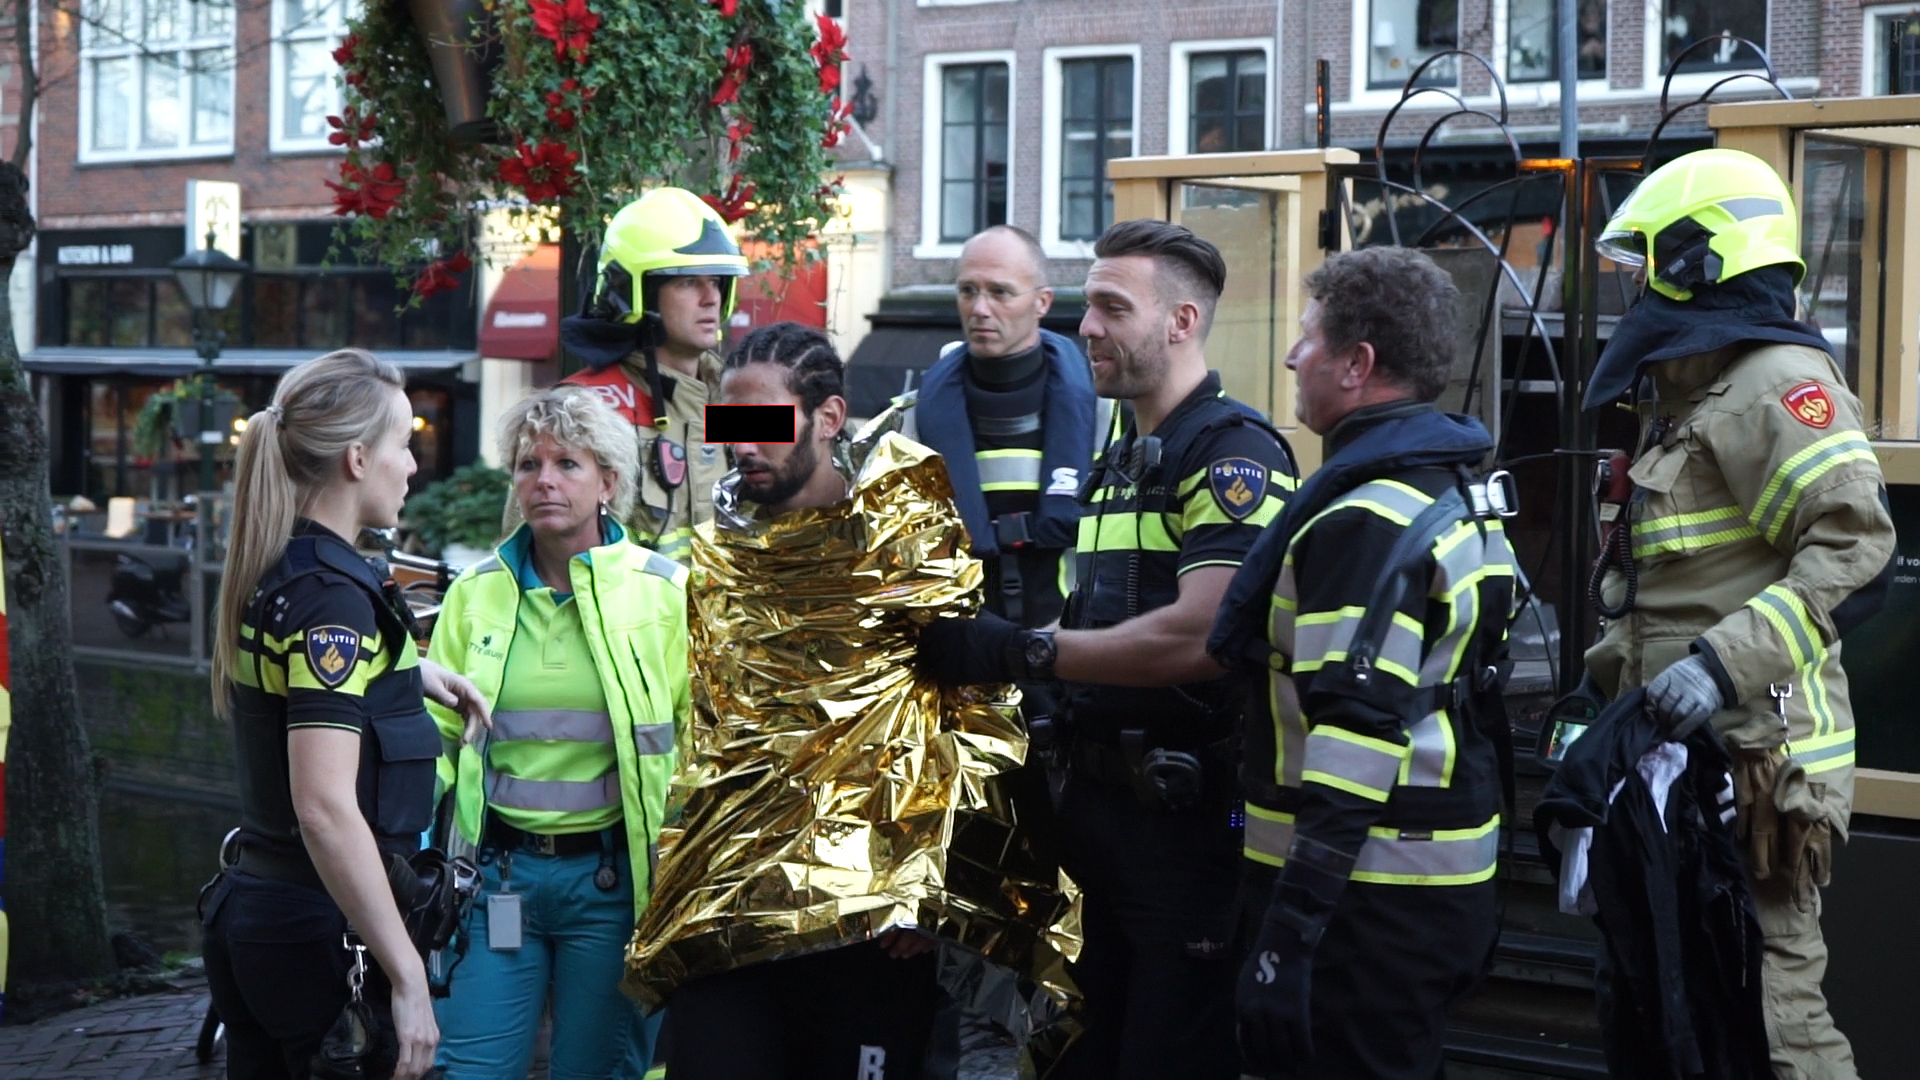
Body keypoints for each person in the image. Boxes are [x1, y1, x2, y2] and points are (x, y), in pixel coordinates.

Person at [917, 220, 1295, 1080]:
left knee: (1166, 1055)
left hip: (1182, 826)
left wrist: (1021, 653)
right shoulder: (1118, 457)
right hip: (1092, 815)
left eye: (1111, 308)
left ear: (1182, 322)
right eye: (1088, 307)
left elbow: (1201, 636)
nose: (1087, 327)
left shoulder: (1230, 455)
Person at [1580, 147, 1894, 1079]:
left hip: (1754, 772)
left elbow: (1857, 556)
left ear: (1697, 259)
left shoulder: (1774, 386)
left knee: (1769, 1024)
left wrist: (1717, 666)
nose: (1637, 287)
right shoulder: (1692, 393)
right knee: (1669, 1017)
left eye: (1648, 264)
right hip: (1671, 758)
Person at [1207, 247, 1517, 1078]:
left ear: (1358, 364)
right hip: (1430, 887)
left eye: (1307, 338)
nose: (1289, 356)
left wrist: (1289, 933)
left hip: (1365, 900)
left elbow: (1353, 735)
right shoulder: (1448, 483)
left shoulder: (1365, 520)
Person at [653, 322, 948, 1077]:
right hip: (728, 905)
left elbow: (961, 712)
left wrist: (927, 884)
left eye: (764, 425)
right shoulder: (715, 556)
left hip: (866, 920)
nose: (742, 446)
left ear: (828, 417)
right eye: (729, 426)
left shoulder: (902, 542)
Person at [201, 349, 490, 1080]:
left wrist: (408, 672)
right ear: (358, 459)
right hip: (316, 928)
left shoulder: (284, 568)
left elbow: (292, 694)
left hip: (259, 911)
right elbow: (326, 807)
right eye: (404, 445)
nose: (413, 466)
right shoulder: (332, 601)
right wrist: (407, 977)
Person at [427, 386, 689, 1078]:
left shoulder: (663, 594)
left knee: (599, 1070)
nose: (543, 480)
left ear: (608, 481)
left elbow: (698, 747)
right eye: (527, 464)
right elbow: (435, 746)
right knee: (472, 1069)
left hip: (612, 888)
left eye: (566, 464)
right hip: (497, 884)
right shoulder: (473, 593)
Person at [859, 225, 1096, 632]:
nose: (980, 308)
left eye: (1000, 292)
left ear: (1043, 302)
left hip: (1074, 657)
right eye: (968, 291)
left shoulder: (1107, 416)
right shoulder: (909, 422)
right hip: (961, 654)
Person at [559, 186, 749, 563]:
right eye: (688, 281)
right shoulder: (581, 409)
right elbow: (538, 558)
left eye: (716, 281)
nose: (711, 297)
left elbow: (813, 470)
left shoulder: (736, 402)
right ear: (635, 291)